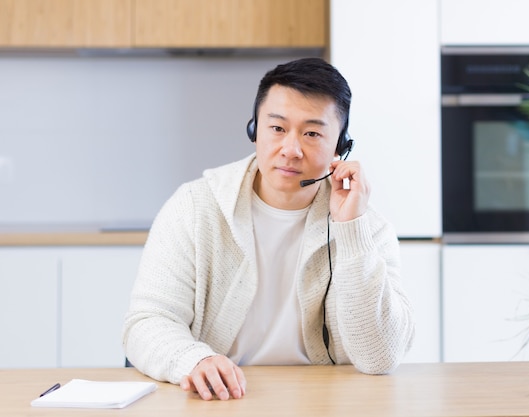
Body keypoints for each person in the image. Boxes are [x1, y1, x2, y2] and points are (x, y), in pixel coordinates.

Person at [122, 57, 415, 401]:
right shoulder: (194, 207)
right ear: (254, 129)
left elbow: (380, 358)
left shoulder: (369, 229)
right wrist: (194, 359)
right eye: (277, 128)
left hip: (325, 402)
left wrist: (351, 230)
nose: (290, 150)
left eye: (312, 133)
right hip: (220, 401)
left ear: (341, 146)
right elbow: (146, 322)